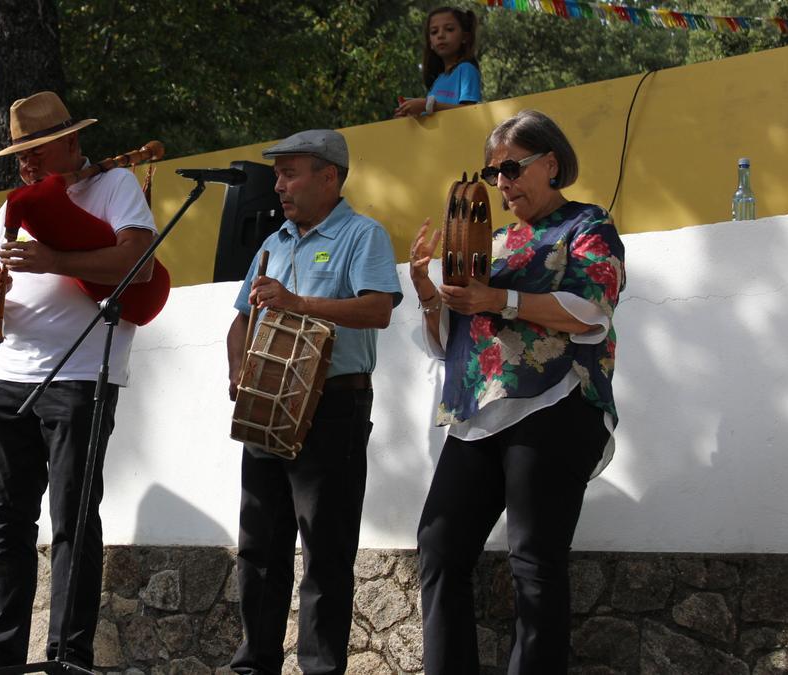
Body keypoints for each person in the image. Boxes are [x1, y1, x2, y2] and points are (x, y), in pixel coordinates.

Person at [408, 109, 625, 673]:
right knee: (438, 546)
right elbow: (449, 340)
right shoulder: (493, 241)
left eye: (510, 168)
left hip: (555, 404)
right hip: (481, 411)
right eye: (492, 173)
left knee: (533, 559)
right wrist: (431, 296)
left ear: (550, 163)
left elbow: (591, 309)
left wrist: (497, 300)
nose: (500, 183)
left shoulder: (587, 225)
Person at [0, 91, 157, 672]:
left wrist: (53, 261)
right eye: (20, 154)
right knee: (7, 521)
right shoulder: (14, 205)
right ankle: (3, 658)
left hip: (80, 375)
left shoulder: (115, 188)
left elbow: (138, 266)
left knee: (71, 518)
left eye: (37, 151)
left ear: (70, 142)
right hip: (9, 376)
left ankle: (68, 658)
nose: (27, 164)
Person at [225, 129, 402, 675]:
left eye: (290, 172)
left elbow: (377, 310)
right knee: (258, 546)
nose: (278, 184)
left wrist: (298, 303)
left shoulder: (363, 234)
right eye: (277, 174)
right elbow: (241, 320)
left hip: (334, 407)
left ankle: (320, 669)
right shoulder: (272, 243)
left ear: (330, 176)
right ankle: (255, 664)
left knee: (324, 552)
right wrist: (238, 371)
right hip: (267, 404)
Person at [394, 6, 482, 119]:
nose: (440, 35)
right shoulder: (438, 80)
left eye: (449, 29)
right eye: (434, 32)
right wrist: (410, 116)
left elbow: (472, 113)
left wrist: (428, 105)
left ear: (465, 37)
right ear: (430, 43)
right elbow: (432, 118)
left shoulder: (466, 70)